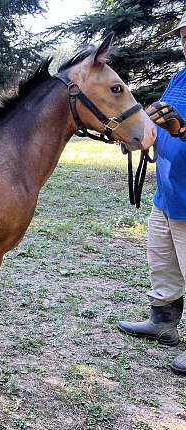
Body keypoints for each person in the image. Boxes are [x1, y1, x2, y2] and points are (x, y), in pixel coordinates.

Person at [118, 12, 186, 375]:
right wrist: (136, 136)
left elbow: (176, 125)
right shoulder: (179, 76)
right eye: (185, 36)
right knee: (162, 261)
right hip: (169, 192)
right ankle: (163, 322)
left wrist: (182, 129)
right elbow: (156, 121)